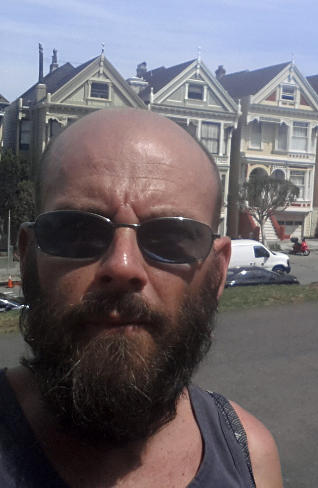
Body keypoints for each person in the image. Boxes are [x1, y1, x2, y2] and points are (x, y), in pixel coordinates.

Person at [0, 109, 283, 487]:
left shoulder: (251, 459)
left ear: (217, 272)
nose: (122, 266)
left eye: (169, 238)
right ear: (27, 256)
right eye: (77, 231)